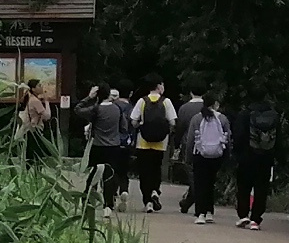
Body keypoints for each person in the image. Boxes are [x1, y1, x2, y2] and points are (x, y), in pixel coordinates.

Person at [233, 94, 281, 229]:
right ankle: (256, 219)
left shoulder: (245, 114)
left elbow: (238, 135)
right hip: (266, 158)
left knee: (243, 187)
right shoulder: (274, 116)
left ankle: (243, 215)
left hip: (246, 157)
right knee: (261, 189)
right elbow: (279, 138)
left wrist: (237, 153)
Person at [183, 96, 231, 219]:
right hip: (216, 155)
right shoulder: (222, 119)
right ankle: (209, 211)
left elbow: (190, 140)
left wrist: (188, 157)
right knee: (210, 183)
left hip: (199, 154)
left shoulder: (197, 118)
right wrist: (226, 156)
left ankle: (201, 213)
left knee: (200, 183)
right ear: (216, 104)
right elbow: (228, 138)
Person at [84, 87, 132, 206]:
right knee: (110, 174)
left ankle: (88, 197)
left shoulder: (96, 109)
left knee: (94, 172)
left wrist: (89, 97)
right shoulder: (117, 109)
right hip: (113, 146)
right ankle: (109, 202)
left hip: (97, 145)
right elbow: (124, 128)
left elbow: (78, 109)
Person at [131, 83, 173, 213]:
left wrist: (141, 126)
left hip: (143, 142)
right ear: (159, 87)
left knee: (144, 172)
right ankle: (155, 190)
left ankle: (147, 201)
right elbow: (173, 121)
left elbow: (133, 121)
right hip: (160, 143)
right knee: (156, 168)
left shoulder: (142, 101)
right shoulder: (166, 101)